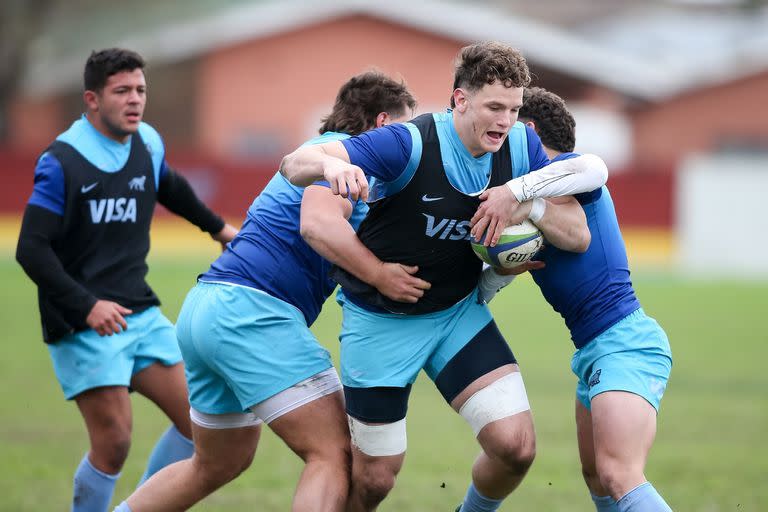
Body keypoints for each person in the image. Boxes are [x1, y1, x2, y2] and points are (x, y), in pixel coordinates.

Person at [281, 41, 608, 512]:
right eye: (494, 106)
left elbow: (577, 235)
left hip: (456, 316)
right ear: (460, 100)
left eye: (514, 109)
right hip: (381, 323)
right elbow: (294, 166)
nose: (505, 120)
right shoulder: (407, 143)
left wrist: (526, 201)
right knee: (374, 479)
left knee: (516, 447)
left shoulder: (520, 146)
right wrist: (335, 168)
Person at [112, 71, 420, 512]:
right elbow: (323, 225)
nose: (407, 148)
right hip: (253, 313)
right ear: (383, 123)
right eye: (405, 132)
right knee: (336, 453)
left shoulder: (325, 154)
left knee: (217, 463)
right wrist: (380, 274)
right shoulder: (348, 165)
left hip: (207, 308)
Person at [14, 48, 237, 511]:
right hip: (82, 321)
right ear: (92, 100)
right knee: (114, 442)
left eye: (140, 90)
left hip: (139, 310)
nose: (135, 100)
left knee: (199, 424)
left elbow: (170, 187)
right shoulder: (62, 162)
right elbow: (30, 249)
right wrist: (86, 306)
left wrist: (217, 228)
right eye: (122, 92)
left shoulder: (147, 142)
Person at [502, 86, 672, 511]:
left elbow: (595, 168)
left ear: (528, 129)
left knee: (619, 474)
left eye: (508, 122)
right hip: (594, 350)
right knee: (597, 475)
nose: (499, 132)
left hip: (626, 344)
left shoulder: (568, 172)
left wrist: (521, 194)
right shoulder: (541, 195)